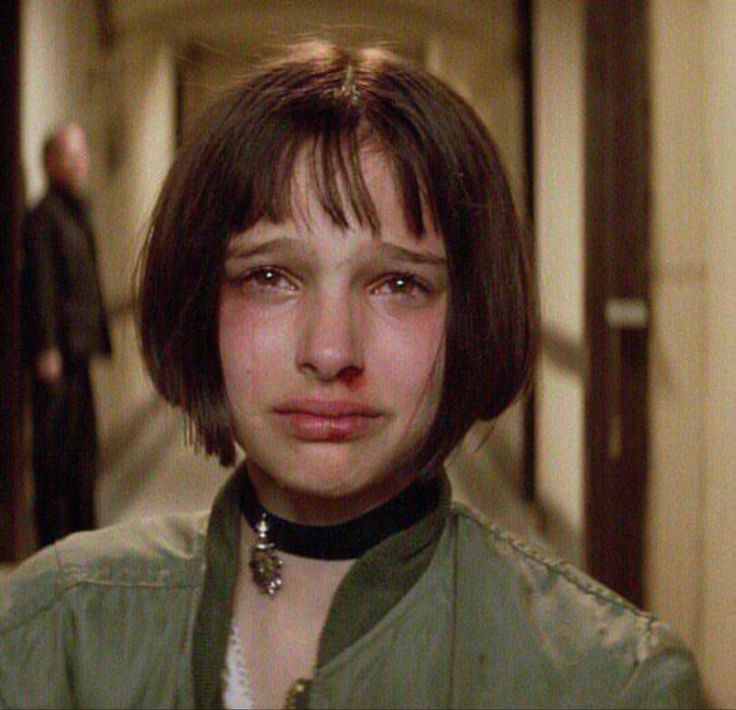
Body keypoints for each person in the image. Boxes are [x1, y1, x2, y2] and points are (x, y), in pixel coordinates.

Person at [0, 43, 702, 709]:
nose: (331, 351)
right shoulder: (55, 631)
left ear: (472, 315)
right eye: (270, 276)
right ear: (199, 303)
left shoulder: (610, 680)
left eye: (398, 283)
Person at [20, 123, 112, 548]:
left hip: (79, 351)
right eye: (70, 156)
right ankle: (55, 544)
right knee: (55, 458)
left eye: (83, 155)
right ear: (49, 163)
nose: (80, 164)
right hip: (58, 358)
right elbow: (42, 286)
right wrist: (47, 347)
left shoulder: (79, 212)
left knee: (82, 454)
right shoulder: (43, 217)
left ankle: (82, 540)